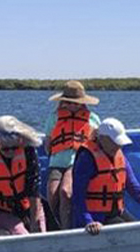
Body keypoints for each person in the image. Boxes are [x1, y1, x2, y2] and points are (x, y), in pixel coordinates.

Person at [71, 118, 140, 235]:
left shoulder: (120, 156)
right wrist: (89, 221)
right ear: (102, 138)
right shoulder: (86, 158)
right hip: (95, 217)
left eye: (119, 143)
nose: (117, 146)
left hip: (115, 213)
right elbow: (78, 196)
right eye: (114, 142)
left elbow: (135, 189)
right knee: (133, 234)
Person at [0, 116, 46, 235]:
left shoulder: (28, 150)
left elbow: (34, 189)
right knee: (20, 233)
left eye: (14, 148)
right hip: (0, 210)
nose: (11, 152)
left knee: (40, 233)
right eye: (5, 149)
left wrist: (34, 222)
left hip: (27, 206)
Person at [43, 81, 101, 231]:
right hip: (57, 162)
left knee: (65, 192)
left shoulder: (92, 119)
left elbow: (98, 143)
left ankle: (66, 230)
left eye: (77, 103)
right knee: (52, 193)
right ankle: (57, 224)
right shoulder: (53, 117)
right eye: (70, 103)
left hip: (77, 162)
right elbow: (47, 142)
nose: (73, 106)